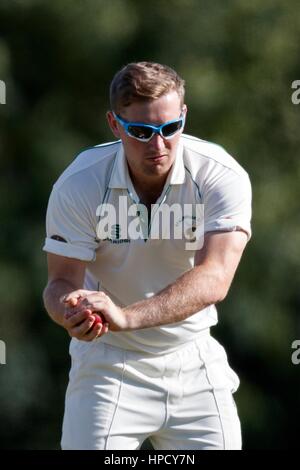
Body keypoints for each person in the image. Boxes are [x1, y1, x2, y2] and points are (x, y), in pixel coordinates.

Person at [43, 61, 252, 450]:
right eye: (140, 132)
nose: (158, 145)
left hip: (194, 359)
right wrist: (68, 309)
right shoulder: (79, 183)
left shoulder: (221, 175)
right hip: (108, 362)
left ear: (183, 116)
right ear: (113, 124)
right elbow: (60, 283)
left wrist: (128, 316)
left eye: (170, 129)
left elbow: (215, 277)